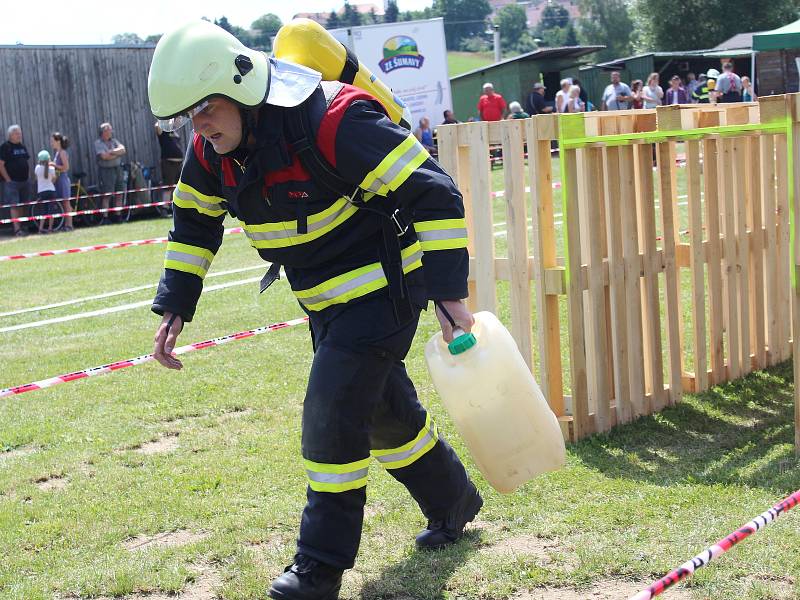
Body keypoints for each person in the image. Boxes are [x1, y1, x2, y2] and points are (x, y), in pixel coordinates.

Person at [147, 20, 481, 600]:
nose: (197, 124)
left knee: (331, 412)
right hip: (322, 300)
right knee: (379, 412)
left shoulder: (334, 120)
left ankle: (318, 568)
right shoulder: (211, 151)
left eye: (205, 106)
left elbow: (434, 190)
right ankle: (453, 499)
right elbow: (194, 224)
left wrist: (450, 292)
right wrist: (176, 304)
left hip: (387, 288)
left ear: (242, 85)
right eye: (186, 114)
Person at [0, 125, 31, 236]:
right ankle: (17, 229)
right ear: (11, 135)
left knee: (24, 204)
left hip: (24, 181)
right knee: (14, 205)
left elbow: (26, 162)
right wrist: (8, 179)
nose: (19, 135)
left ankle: (23, 226)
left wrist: (27, 176)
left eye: (20, 133)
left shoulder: (22, 146)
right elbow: (1, 165)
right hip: (12, 182)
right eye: (17, 133)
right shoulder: (5, 147)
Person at [94, 122, 126, 225]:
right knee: (107, 195)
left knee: (119, 193)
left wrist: (111, 152)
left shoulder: (114, 141)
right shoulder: (98, 143)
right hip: (106, 171)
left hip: (118, 169)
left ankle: (118, 216)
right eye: (108, 130)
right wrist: (117, 154)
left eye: (110, 130)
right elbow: (104, 157)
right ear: (103, 132)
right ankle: (105, 217)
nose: (110, 132)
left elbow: (123, 150)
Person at [155, 121, 184, 207]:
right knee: (168, 187)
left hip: (179, 163)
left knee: (179, 187)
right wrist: (164, 118)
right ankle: (165, 208)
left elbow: (179, 121)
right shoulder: (162, 131)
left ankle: (177, 207)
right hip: (168, 162)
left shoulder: (174, 131)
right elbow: (156, 126)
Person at [51, 132, 73, 232]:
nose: (51, 143)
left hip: (63, 180)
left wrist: (54, 165)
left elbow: (66, 167)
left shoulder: (62, 152)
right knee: (63, 203)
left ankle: (69, 225)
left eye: (52, 141)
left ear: (58, 141)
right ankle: (66, 225)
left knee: (66, 202)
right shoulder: (57, 153)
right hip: (58, 180)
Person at [34, 150, 57, 234]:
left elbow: (36, 179)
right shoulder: (51, 168)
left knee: (43, 210)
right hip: (51, 190)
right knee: (51, 210)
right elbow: (54, 179)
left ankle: (40, 229)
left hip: (41, 191)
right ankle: (50, 228)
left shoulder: (37, 168)